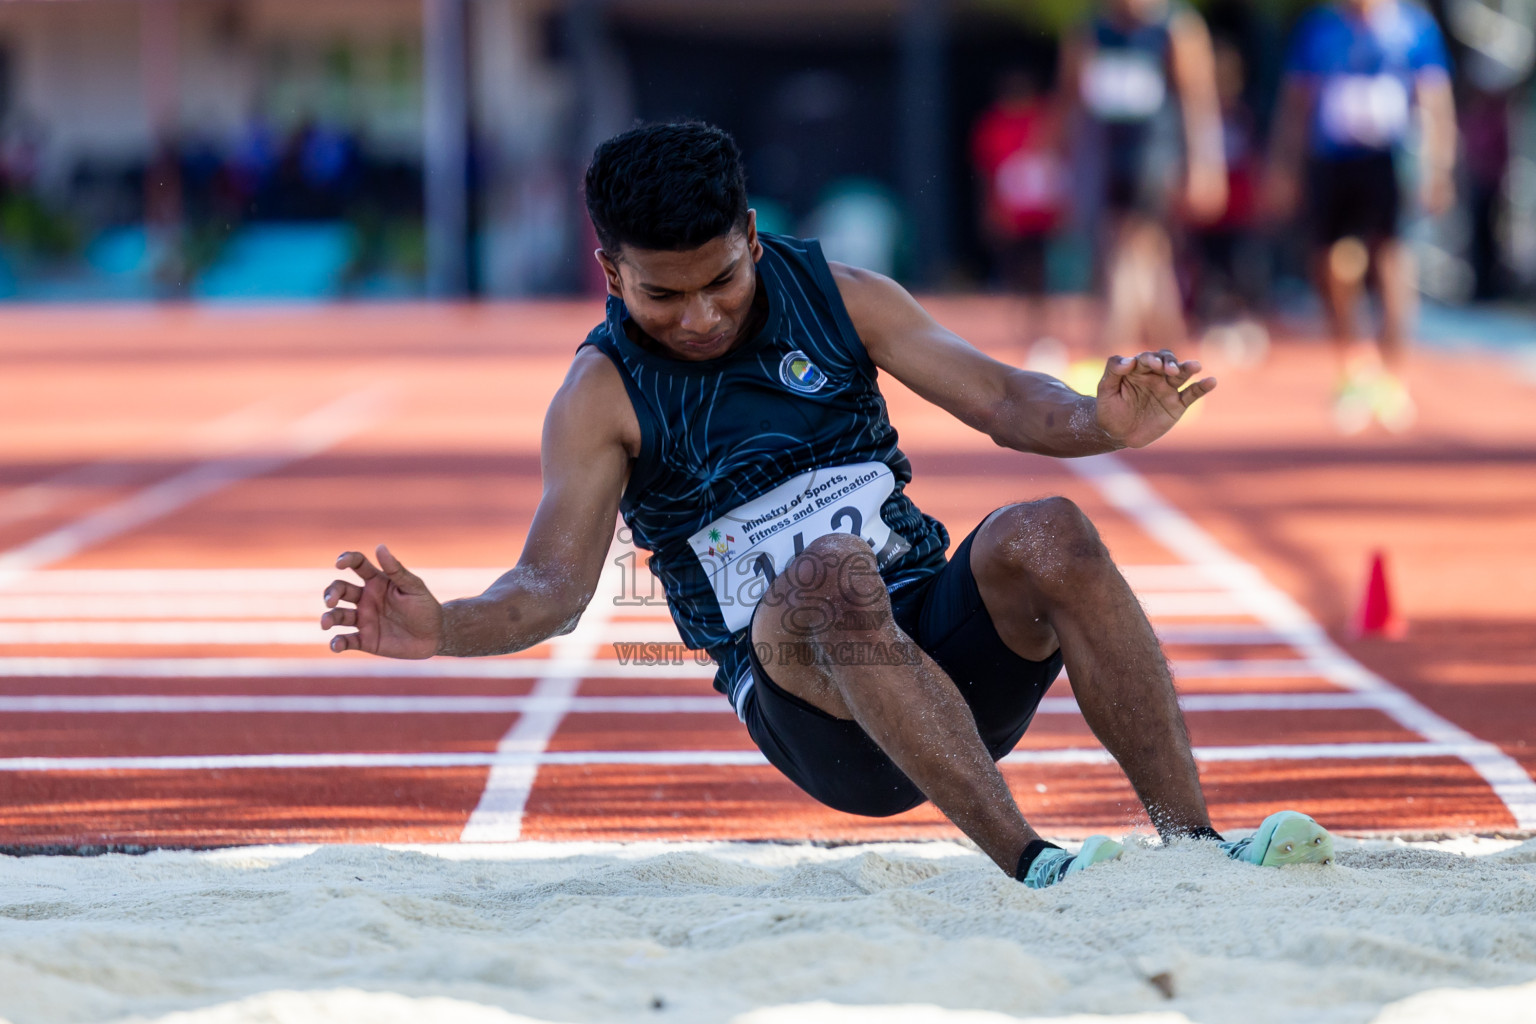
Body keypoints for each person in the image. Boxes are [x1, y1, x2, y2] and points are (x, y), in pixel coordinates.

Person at [321, 122, 1333, 887]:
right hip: (813, 707)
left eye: (719, 280)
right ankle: (1037, 866)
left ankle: (1196, 846)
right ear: (610, 274)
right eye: (660, 297)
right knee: (829, 575)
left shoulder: (839, 294)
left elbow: (1003, 396)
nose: (700, 316)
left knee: (1051, 529)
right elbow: (551, 586)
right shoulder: (600, 396)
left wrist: (1103, 422)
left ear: (751, 237)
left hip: (942, 651)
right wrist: (444, 626)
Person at [1265, 0, 1457, 433]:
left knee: (1392, 259)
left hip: (1391, 161)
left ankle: (1393, 376)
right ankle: (1354, 364)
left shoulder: (1413, 27)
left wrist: (1439, 168)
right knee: (1332, 264)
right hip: (1332, 161)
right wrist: (1283, 166)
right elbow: (1296, 100)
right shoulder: (1319, 28)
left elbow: (1435, 99)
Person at [1057, 0, 1228, 392]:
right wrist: (1060, 156)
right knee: (1149, 262)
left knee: (1126, 249)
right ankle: (1172, 363)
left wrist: (1205, 165)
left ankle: (1108, 354)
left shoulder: (1175, 28)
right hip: (1105, 157)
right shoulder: (1092, 30)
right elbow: (1069, 95)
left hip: (1156, 155)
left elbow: (1198, 98)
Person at [969, 68, 1066, 354]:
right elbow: (986, 172)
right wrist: (990, 210)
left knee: (1041, 269)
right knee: (1017, 270)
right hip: (1012, 212)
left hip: (1042, 212)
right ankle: (1021, 325)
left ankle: (1042, 325)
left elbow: (1061, 162)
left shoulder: (1045, 119)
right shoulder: (992, 125)